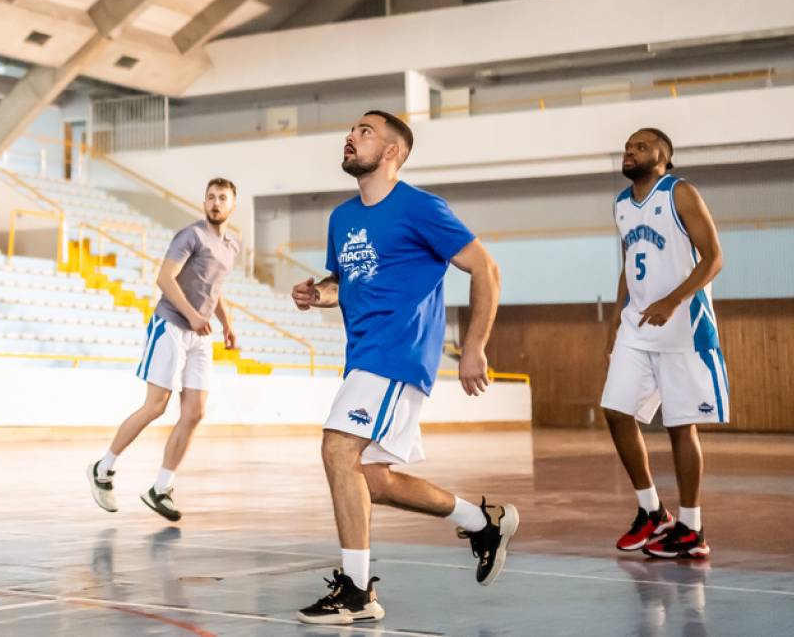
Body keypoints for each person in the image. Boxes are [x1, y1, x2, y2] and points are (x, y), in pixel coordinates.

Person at [291, 111, 516, 626]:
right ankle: (483, 523)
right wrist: (318, 293)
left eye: (364, 132)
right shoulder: (342, 218)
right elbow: (343, 281)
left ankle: (355, 591)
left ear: (392, 152)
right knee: (371, 480)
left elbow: (486, 268)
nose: (350, 136)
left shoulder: (421, 208)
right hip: (363, 356)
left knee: (336, 447)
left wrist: (475, 345)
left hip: (397, 354)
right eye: (350, 130)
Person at [602, 127, 726, 560]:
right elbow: (626, 268)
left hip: (683, 327)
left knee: (680, 425)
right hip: (636, 327)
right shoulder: (620, 204)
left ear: (664, 155)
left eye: (640, 146)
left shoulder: (681, 193)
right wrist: (615, 323)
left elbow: (714, 257)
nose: (629, 151)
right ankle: (652, 512)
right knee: (615, 412)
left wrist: (674, 300)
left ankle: (692, 527)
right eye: (626, 146)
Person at [87, 179, 241, 522]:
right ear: (204, 202)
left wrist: (227, 325)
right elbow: (165, 278)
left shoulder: (231, 246)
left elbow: (215, 290)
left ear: (233, 206)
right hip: (171, 325)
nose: (215, 203)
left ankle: (161, 487)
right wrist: (191, 314)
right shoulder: (191, 235)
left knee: (195, 412)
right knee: (156, 405)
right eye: (211, 197)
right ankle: (103, 467)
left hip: (199, 335)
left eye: (222, 198)